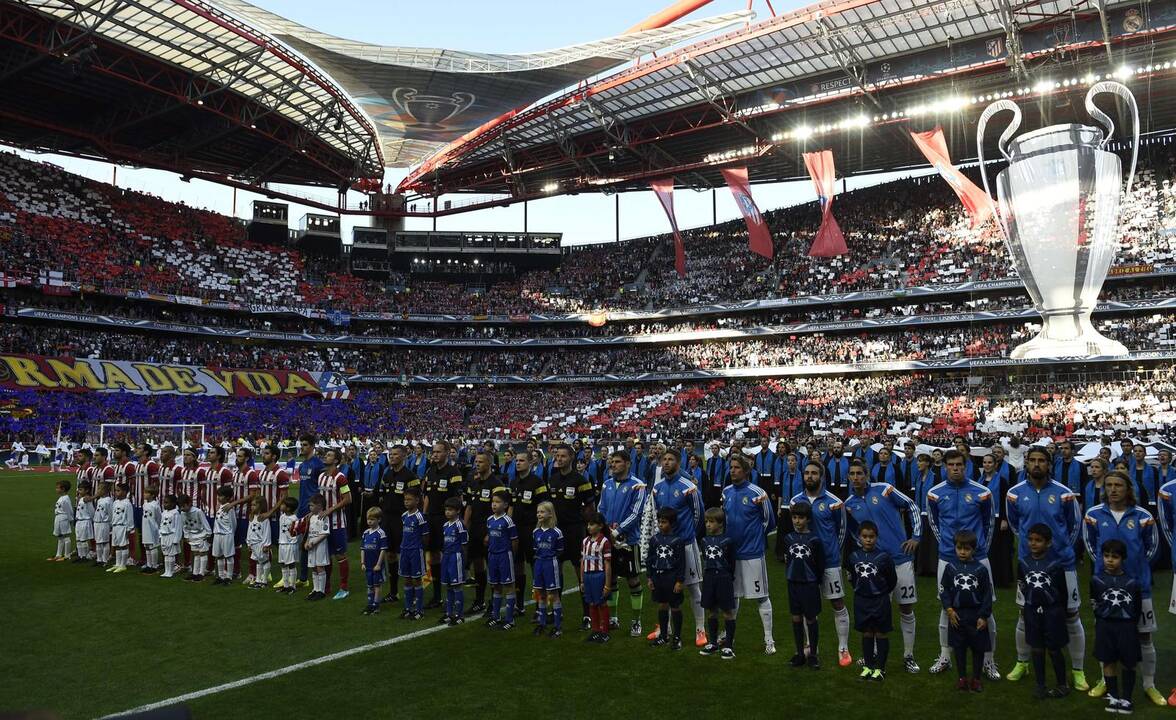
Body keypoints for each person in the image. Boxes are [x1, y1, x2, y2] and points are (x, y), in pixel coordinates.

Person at [1003, 446, 1086, 689]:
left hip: (1062, 564)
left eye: (1042, 461)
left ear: (1050, 465)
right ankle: (1022, 662)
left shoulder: (1064, 493)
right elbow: (1016, 525)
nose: (1037, 464)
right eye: (1033, 460)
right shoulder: (1014, 494)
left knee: (1071, 615)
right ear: (1026, 464)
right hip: (1029, 566)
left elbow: (1074, 526)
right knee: (1024, 613)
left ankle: (1078, 669)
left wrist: (1059, 551)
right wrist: (1032, 553)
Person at [1083, 471, 1163, 705]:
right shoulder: (1093, 514)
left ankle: (1149, 684)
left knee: (1145, 636)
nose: (1113, 489)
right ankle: (1104, 680)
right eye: (1109, 485)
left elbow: (1152, 547)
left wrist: (1133, 572)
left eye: (1118, 485)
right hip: (1106, 589)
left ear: (1129, 488)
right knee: (1106, 637)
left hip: (1139, 586)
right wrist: (1107, 575)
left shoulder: (1143, 516)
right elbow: (1091, 546)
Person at [843, 458, 922, 673]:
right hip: (874, 566)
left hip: (900, 558)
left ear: (867, 475)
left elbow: (912, 505)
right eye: (852, 474)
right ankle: (875, 653)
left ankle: (908, 655)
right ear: (848, 477)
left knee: (905, 608)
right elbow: (852, 531)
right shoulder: (849, 504)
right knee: (876, 611)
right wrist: (863, 549)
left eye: (860, 473)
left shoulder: (885, 489)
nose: (856, 477)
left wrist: (916, 536)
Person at [926, 449, 998, 678]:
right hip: (947, 557)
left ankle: (989, 660)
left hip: (979, 558)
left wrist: (981, 550)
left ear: (966, 466)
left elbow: (989, 523)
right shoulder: (934, 493)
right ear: (945, 467)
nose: (956, 468)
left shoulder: (982, 492)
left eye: (959, 465)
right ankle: (945, 655)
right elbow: (934, 523)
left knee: (987, 607)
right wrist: (947, 546)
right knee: (945, 607)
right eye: (951, 465)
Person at [789, 460, 852, 666]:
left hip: (831, 562)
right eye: (806, 473)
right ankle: (809, 646)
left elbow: (841, 531)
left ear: (821, 476)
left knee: (837, 603)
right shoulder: (795, 501)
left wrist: (833, 552)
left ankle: (843, 647)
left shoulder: (834, 502)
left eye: (814, 473)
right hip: (804, 564)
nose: (809, 476)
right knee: (806, 608)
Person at [721, 453, 777, 655]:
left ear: (745, 471)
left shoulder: (757, 493)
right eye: (731, 467)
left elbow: (769, 521)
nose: (733, 470)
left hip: (752, 553)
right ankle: (729, 636)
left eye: (737, 467)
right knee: (733, 596)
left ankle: (768, 639)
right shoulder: (726, 492)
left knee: (761, 596)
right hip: (732, 554)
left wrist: (755, 539)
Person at [652, 449, 707, 647]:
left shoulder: (688, 487)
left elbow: (698, 514)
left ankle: (700, 629)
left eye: (670, 459)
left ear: (679, 462)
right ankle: (664, 629)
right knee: (664, 588)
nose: (666, 462)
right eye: (664, 459)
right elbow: (657, 515)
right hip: (665, 546)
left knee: (693, 587)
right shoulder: (657, 488)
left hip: (685, 544)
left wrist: (689, 534)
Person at [1014, 524, 1070, 699]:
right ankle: (1040, 685)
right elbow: (1022, 584)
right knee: (1037, 648)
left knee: (1054, 649)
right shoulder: (1023, 562)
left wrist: (1060, 611)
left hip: (1052, 612)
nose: (1033, 543)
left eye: (1038, 540)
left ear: (1049, 543)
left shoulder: (1055, 565)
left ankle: (1062, 684)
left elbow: (1063, 592)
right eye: (1030, 539)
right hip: (1032, 611)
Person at [597, 449, 647, 637]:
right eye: (612, 461)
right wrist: (603, 530)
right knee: (611, 579)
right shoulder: (606, 484)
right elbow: (600, 508)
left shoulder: (638, 486)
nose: (613, 464)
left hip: (628, 541)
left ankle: (636, 621)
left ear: (627, 463)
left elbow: (636, 513)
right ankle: (613, 618)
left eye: (617, 461)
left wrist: (616, 531)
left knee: (633, 580)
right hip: (608, 540)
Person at [1092, 538, 1143, 714]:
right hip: (1105, 626)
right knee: (1108, 660)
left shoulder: (1132, 583)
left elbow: (1137, 609)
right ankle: (1113, 695)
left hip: (1126, 628)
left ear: (1123, 559)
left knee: (1129, 663)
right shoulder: (1096, 580)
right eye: (1106, 556)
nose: (1110, 560)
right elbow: (1095, 603)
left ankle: (1127, 698)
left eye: (1114, 557)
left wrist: (1129, 624)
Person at [547, 443, 595, 630]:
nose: (559, 459)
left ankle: (587, 614)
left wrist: (588, 526)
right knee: (556, 573)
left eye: (563, 456)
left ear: (571, 458)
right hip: (557, 532)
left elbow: (590, 508)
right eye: (557, 456)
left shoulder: (580, 480)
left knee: (581, 573)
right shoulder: (552, 479)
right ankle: (557, 611)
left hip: (575, 531)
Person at [939, 529, 993, 693]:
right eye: (959, 548)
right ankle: (962, 678)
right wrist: (948, 609)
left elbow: (987, 594)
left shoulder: (981, 570)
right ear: (955, 548)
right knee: (959, 648)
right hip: (956, 616)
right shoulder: (950, 568)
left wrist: (984, 616)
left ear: (973, 549)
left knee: (978, 649)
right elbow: (944, 590)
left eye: (967, 549)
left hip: (976, 616)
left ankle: (976, 679)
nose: (962, 552)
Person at [846, 521, 898, 681]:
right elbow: (852, 578)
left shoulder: (883, 557)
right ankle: (868, 667)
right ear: (859, 537)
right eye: (865, 536)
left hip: (880, 601)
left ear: (876, 537)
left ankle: (880, 669)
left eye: (872, 537)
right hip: (861, 601)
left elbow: (892, 580)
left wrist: (880, 592)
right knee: (867, 632)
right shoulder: (853, 557)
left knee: (881, 633)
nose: (868, 540)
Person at [782, 501, 824, 668]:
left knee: (811, 618)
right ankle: (799, 653)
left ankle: (813, 654)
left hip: (809, 584)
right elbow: (787, 560)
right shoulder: (788, 538)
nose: (797, 521)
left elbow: (820, 564)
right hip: (793, 583)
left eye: (800, 518)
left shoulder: (814, 540)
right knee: (796, 617)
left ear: (808, 519)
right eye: (794, 517)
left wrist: (817, 582)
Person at [423, 440, 464, 610]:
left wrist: (454, 521)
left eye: (438, 452)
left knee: (448, 555)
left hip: (446, 520)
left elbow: (458, 499)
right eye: (434, 452)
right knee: (433, 556)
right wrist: (424, 516)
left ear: (447, 453)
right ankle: (437, 595)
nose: (435, 454)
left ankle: (452, 593)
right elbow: (426, 496)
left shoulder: (453, 472)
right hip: (431, 518)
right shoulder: (430, 470)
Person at [376, 444, 418, 603]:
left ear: (403, 456)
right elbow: (382, 496)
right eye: (390, 454)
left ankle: (413, 592)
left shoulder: (410, 477)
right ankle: (394, 592)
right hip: (388, 519)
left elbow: (415, 501)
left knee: (406, 555)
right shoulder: (387, 474)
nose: (391, 457)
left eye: (395, 454)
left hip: (403, 520)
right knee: (390, 555)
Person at [464, 450, 501, 615]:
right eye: (476, 462)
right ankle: (479, 601)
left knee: (492, 565)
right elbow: (470, 506)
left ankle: (494, 602)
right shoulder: (474, 483)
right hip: (475, 529)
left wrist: (490, 532)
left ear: (489, 464)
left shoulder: (496, 484)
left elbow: (499, 511)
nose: (477, 464)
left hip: (490, 530)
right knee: (477, 564)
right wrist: (465, 524)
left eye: (480, 462)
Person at [510, 452, 549, 605]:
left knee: (535, 566)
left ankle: (541, 604)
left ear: (529, 463)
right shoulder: (513, 483)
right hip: (517, 530)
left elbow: (545, 507)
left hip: (532, 530)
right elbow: (511, 506)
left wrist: (540, 529)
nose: (518, 463)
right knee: (518, 565)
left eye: (521, 460)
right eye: (516, 460)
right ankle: (519, 604)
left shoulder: (537, 482)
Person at [698, 507, 737, 659]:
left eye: (711, 522)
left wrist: (727, 576)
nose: (708, 525)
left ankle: (728, 646)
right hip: (709, 578)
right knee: (711, 610)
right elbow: (706, 560)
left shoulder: (728, 541)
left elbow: (732, 562)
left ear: (720, 524)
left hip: (724, 578)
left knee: (727, 611)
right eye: (706, 521)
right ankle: (713, 643)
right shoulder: (704, 540)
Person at [647, 506, 685, 650]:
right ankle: (663, 635)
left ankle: (677, 637)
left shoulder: (677, 541)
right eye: (659, 521)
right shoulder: (654, 539)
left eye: (664, 522)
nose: (660, 524)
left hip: (672, 578)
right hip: (658, 577)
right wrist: (649, 577)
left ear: (672, 523)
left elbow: (681, 563)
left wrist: (680, 581)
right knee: (662, 605)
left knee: (675, 606)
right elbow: (650, 559)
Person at [317, 448, 353, 600]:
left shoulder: (340, 477)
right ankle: (326, 587)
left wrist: (329, 510)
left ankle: (344, 587)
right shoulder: (320, 477)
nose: (326, 456)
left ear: (336, 461)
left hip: (337, 523)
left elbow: (348, 499)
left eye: (330, 455)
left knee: (340, 555)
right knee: (326, 556)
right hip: (322, 522)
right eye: (326, 454)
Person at [292, 434, 324, 586]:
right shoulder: (302, 465)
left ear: (312, 446)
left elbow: (321, 488)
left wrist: (317, 508)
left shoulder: (318, 464)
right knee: (302, 543)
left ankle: (307, 578)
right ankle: (305, 577)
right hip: (302, 508)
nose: (302, 447)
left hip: (313, 510)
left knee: (312, 543)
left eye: (304, 444)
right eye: (301, 444)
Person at [484, 490, 519, 630]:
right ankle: (496, 616)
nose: (494, 504)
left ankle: (510, 619)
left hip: (504, 555)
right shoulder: (489, 519)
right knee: (496, 586)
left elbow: (514, 540)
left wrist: (512, 555)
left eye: (497, 502)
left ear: (505, 505)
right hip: (492, 556)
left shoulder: (507, 521)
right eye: (493, 502)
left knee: (509, 586)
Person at [532, 501, 564, 637]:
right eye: (538, 512)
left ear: (550, 514)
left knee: (553, 594)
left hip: (550, 564)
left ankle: (557, 627)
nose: (539, 514)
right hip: (539, 563)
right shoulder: (535, 532)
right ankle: (542, 623)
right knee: (541, 594)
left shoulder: (556, 532)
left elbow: (560, 550)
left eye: (542, 512)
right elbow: (535, 549)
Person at [581, 512, 613, 643]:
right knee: (592, 603)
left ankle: (604, 632)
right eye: (588, 524)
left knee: (601, 603)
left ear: (600, 526)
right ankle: (595, 631)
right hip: (588, 576)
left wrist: (607, 584)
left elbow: (607, 564)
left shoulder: (604, 542)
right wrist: (582, 580)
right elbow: (583, 560)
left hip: (598, 575)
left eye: (592, 524)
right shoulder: (585, 541)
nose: (589, 527)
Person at [399, 487, 429, 619]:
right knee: (406, 579)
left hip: (416, 551)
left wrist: (420, 548)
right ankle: (408, 608)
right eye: (405, 499)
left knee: (417, 580)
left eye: (409, 499)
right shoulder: (404, 516)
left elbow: (425, 536)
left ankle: (419, 610)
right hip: (404, 550)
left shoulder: (420, 517)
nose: (406, 502)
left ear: (417, 501)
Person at [440, 497, 468, 626]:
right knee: (449, 585)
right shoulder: (445, 525)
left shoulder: (460, 524)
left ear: (458, 511)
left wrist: (462, 560)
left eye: (450, 510)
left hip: (456, 557)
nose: (447, 512)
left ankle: (459, 615)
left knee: (457, 585)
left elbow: (464, 544)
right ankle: (449, 613)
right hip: (446, 556)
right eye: (446, 510)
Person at [211, 485, 244, 586]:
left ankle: (229, 577)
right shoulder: (218, 507)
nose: (219, 498)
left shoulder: (230, 509)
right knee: (219, 556)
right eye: (218, 495)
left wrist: (230, 534)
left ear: (228, 498)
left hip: (227, 535)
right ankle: (221, 576)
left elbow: (233, 524)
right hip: (217, 534)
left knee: (228, 556)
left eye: (221, 496)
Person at [360, 507, 389, 615]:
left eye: (372, 519)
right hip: (368, 565)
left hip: (376, 566)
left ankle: (376, 606)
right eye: (368, 519)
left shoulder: (381, 533)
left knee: (377, 585)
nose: (370, 522)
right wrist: (362, 562)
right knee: (370, 585)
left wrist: (378, 564)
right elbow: (362, 549)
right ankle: (370, 604)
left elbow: (383, 550)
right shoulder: (366, 533)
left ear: (379, 520)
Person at [304, 494, 330, 600]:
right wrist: (307, 542)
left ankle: (321, 591)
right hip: (311, 545)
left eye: (312, 506)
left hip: (320, 546)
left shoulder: (324, 517)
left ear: (319, 506)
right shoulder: (311, 517)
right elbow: (309, 532)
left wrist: (314, 542)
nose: (310, 508)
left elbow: (325, 533)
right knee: (313, 567)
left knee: (320, 567)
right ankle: (315, 589)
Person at [179, 493, 210, 581]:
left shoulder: (198, 511)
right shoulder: (182, 513)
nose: (182, 509)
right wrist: (186, 536)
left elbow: (205, 523)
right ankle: (195, 573)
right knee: (196, 553)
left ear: (189, 503)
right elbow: (184, 526)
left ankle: (201, 573)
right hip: (192, 536)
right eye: (180, 507)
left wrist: (208, 534)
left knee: (202, 553)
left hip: (201, 535)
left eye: (183, 506)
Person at [246, 496, 272, 590]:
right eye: (251, 505)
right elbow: (249, 530)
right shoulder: (252, 517)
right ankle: (258, 580)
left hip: (261, 543)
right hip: (253, 544)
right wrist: (248, 543)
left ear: (260, 506)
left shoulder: (264, 518)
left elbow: (267, 532)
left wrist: (266, 544)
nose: (252, 507)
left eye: (254, 505)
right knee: (257, 561)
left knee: (264, 560)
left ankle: (264, 581)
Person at [276, 497, 301, 594]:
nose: (281, 506)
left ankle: (292, 586)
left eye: (283, 505)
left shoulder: (294, 519)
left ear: (288, 508)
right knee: (282, 564)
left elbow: (297, 533)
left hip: (290, 544)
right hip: (282, 543)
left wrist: (294, 543)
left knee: (291, 564)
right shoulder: (282, 516)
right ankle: (286, 586)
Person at [108, 483, 134, 574]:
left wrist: (129, 529)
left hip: (123, 526)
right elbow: (113, 515)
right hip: (115, 526)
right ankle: (117, 563)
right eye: (115, 490)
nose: (116, 492)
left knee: (123, 545)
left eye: (118, 490)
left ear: (124, 492)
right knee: (117, 545)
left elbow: (130, 517)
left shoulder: (127, 503)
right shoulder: (115, 502)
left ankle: (123, 565)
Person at [158, 493, 183, 578]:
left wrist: (176, 539)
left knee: (171, 554)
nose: (164, 504)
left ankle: (171, 571)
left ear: (173, 504)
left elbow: (178, 527)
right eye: (164, 502)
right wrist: (160, 534)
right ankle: (166, 571)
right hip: (164, 535)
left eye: (166, 503)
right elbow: (161, 524)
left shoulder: (176, 513)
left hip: (171, 536)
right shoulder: (164, 512)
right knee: (166, 554)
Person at [140, 486, 162, 574]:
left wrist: (158, 527)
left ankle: (154, 565)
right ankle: (149, 565)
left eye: (146, 493)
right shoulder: (144, 504)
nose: (144, 494)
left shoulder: (155, 505)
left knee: (153, 546)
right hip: (145, 527)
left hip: (153, 528)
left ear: (152, 495)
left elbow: (158, 517)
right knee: (147, 546)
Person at [50, 479, 74, 562]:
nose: (56, 489)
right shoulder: (61, 498)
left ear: (63, 489)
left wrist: (71, 520)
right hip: (58, 518)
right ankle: (58, 554)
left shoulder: (65, 499)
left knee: (66, 536)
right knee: (60, 536)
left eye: (58, 488)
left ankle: (67, 555)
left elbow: (69, 510)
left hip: (64, 518)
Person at [74, 480, 94, 563]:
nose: (79, 491)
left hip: (85, 521)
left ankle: (85, 556)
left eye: (81, 489)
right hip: (79, 521)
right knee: (78, 539)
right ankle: (80, 555)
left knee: (83, 540)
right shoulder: (81, 499)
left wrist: (90, 520)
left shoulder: (87, 500)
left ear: (87, 490)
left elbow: (91, 511)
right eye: (79, 489)